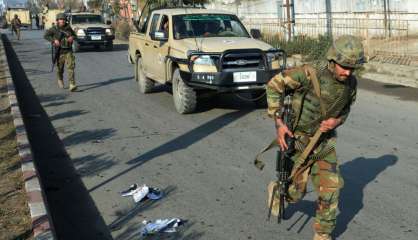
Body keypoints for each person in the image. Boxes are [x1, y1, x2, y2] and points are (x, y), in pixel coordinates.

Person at [266, 35, 365, 240]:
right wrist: (279, 123)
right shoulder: (308, 73)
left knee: (330, 190)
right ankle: (279, 190)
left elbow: (345, 110)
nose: (347, 72)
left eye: (352, 68)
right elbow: (274, 85)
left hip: (324, 144)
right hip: (298, 141)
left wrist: (336, 122)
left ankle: (323, 235)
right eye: (344, 66)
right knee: (295, 194)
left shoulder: (350, 84)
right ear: (332, 59)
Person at [44, 13, 78, 92]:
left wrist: (72, 37)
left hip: (68, 50)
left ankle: (72, 84)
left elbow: (75, 36)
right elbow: (46, 36)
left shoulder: (68, 28)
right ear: (57, 20)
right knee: (60, 69)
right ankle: (60, 79)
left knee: (71, 67)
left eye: (63, 19)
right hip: (59, 51)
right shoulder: (54, 29)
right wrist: (54, 40)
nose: (62, 21)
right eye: (60, 19)